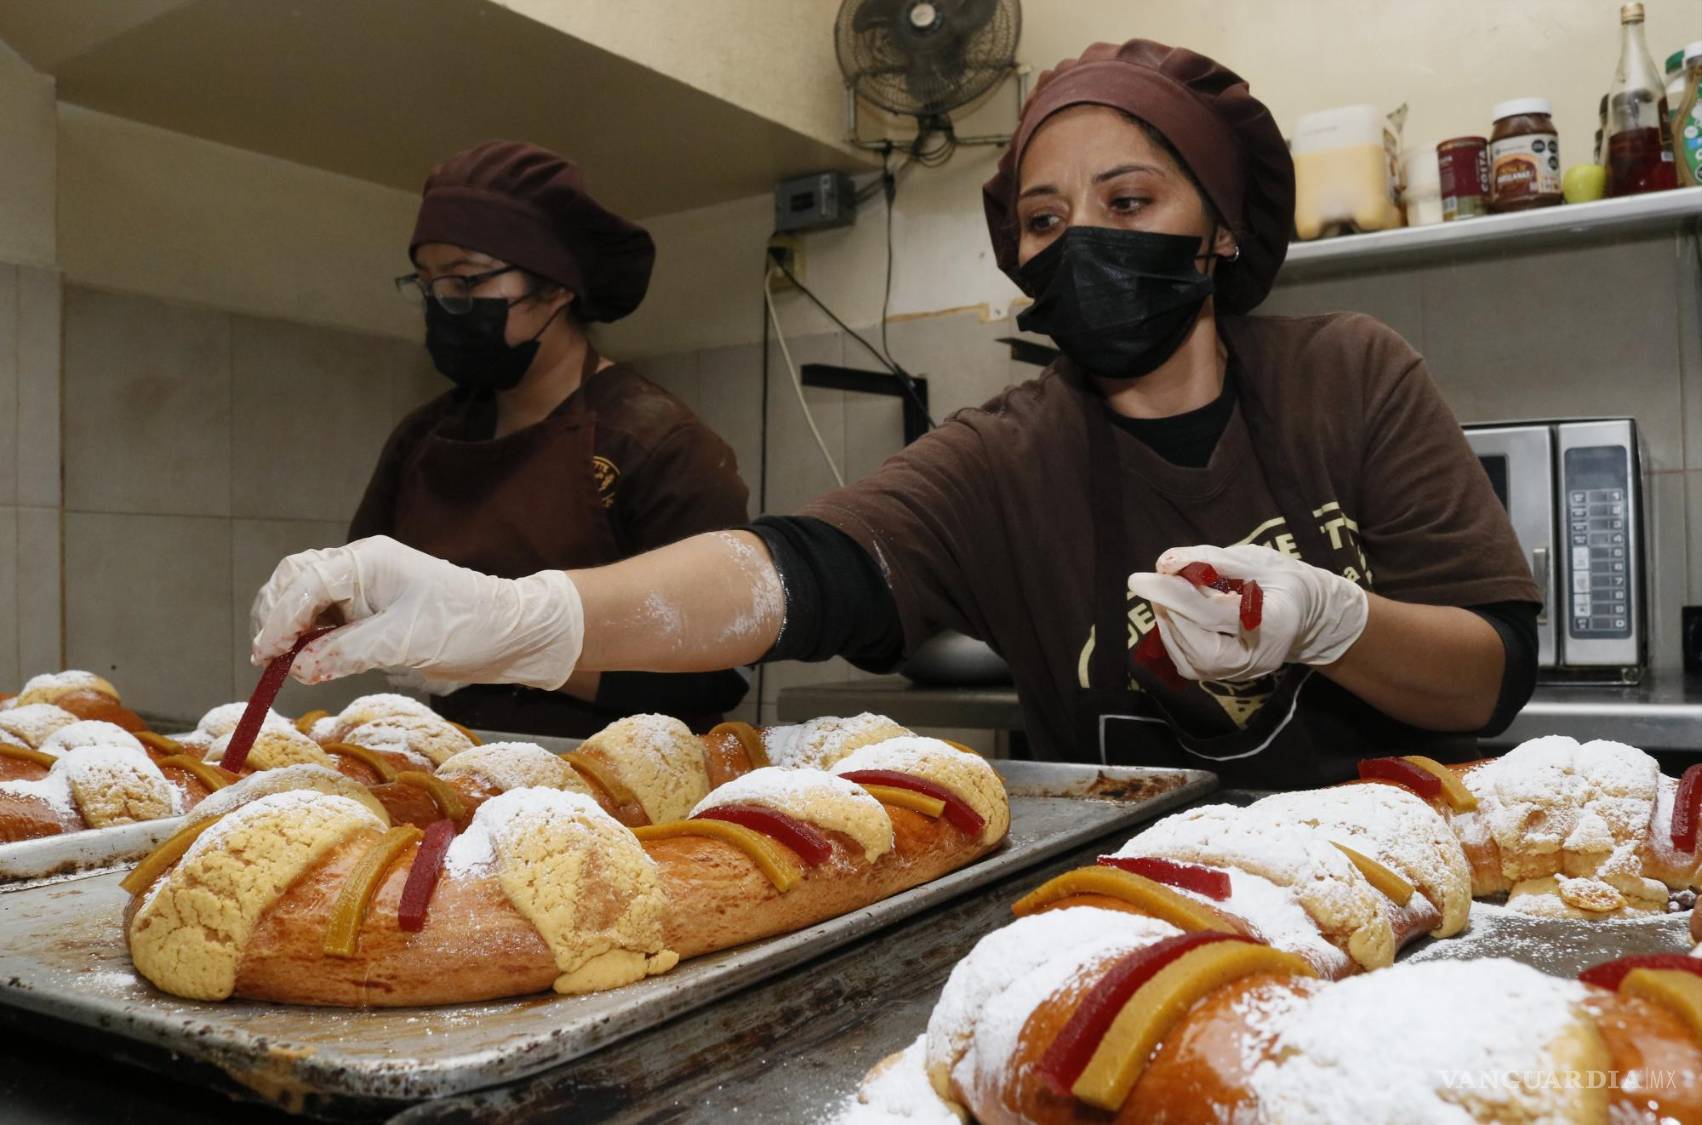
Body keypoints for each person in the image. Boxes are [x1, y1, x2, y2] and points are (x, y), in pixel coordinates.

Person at [252, 42, 1540, 788]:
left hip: (1402, 866)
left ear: (1219, 230)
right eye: (1043, 219)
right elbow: (786, 572)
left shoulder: (1345, 376)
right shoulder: (1009, 457)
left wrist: (1331, 617)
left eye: (1131, 201)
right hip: (1138, 898)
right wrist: (520, 617)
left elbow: (1487, 676)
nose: (1080, 239)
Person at [348, 140, 750, 737]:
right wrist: (332, 599)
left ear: (557, 287)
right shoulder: (425, 440)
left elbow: (709, 672)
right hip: (463, 768)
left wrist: (505, 649)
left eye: (463, 282)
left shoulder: (659, 445)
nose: (441, 306)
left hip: (627, 783)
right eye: (428, 284)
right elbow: (370, 585)